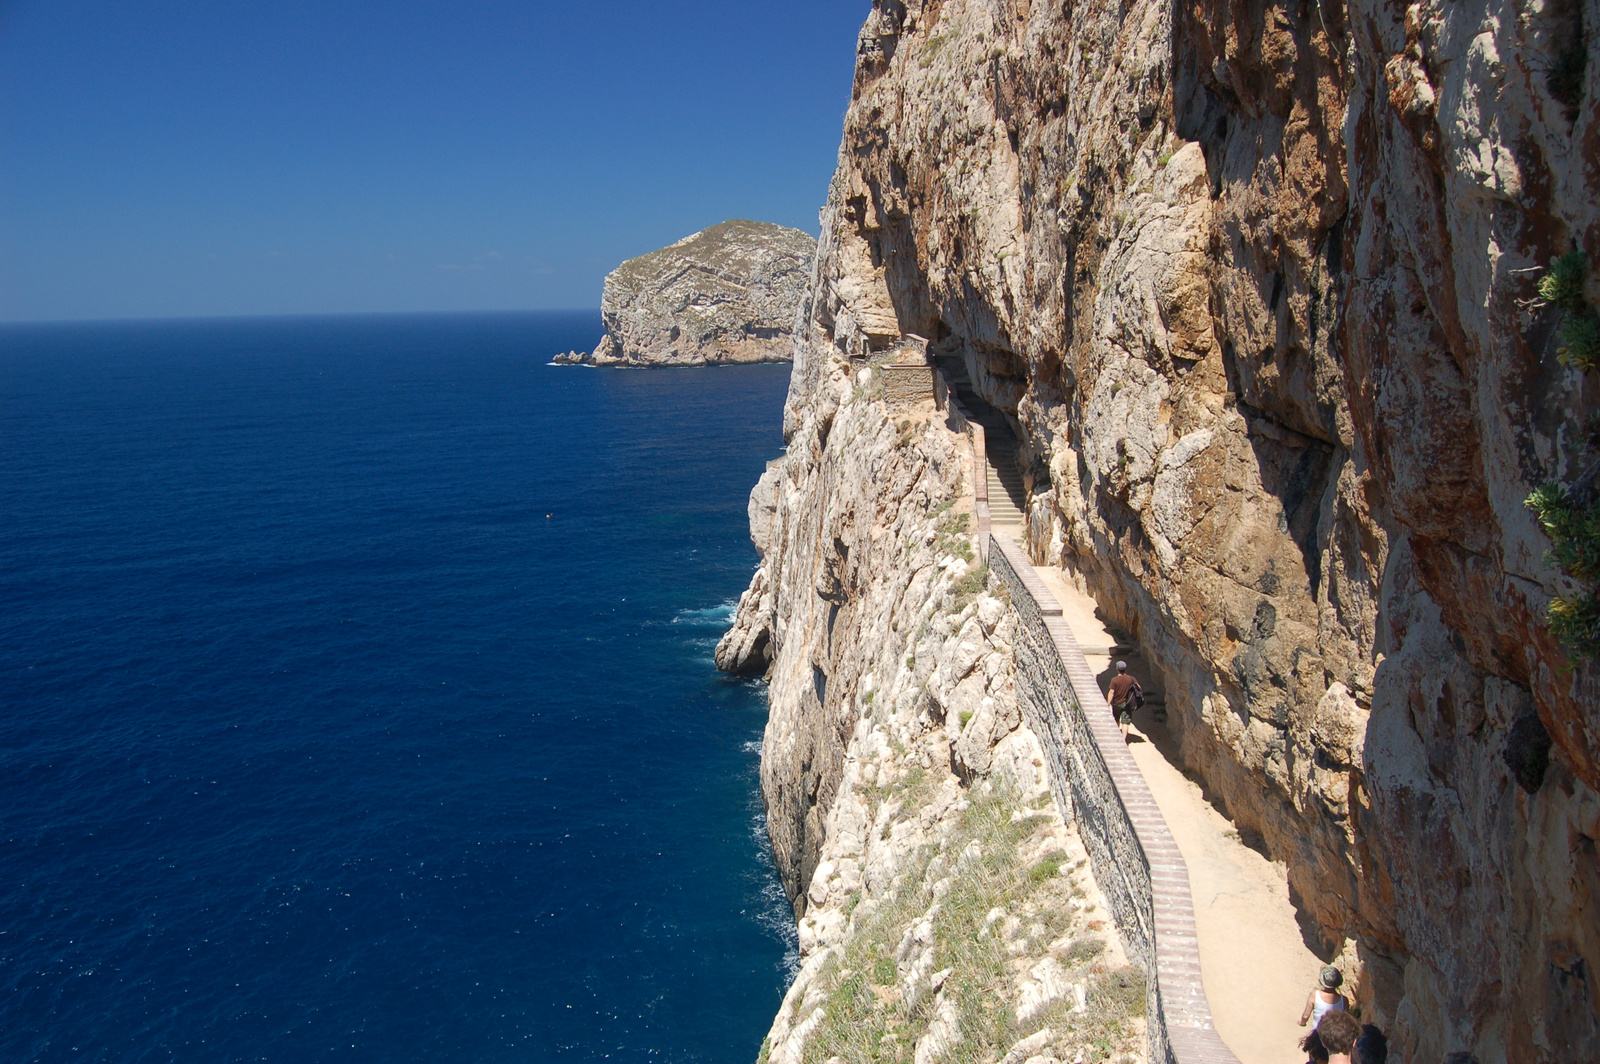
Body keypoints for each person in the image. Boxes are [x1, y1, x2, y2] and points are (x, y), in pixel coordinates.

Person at [1107, 660, 1141, 740]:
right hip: (1128, 703)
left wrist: (1108, 703)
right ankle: (1123, 739)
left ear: (1117, 669)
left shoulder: (1114, 680)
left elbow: (1111, 692)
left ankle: (1115, 735)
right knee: (1125, 722)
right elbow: (1138, 687)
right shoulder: (1131, 679)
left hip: (1117, 703)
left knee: (1116, 719)